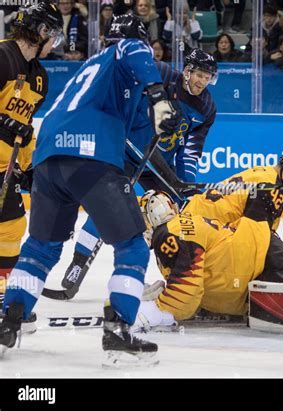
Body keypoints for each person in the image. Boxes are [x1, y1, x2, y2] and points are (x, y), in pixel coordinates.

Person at [0, 14, 181, 366]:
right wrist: (160, 97)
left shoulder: (94, 71)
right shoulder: (127, 54)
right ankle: (118, 331)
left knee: (41, 248)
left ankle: (10, 320)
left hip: (49, 159)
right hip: (90, 156)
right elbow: (133, 50)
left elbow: (139, 142)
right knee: (132, 246)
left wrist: (171, 177)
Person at [59, 48, 218, 299]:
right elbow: (126, 73)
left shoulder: (207, 107)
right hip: (128, 152)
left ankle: (181, 275)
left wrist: (184, 183)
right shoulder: (163, 74)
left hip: (160, 165)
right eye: (199, 74)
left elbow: (189, 151)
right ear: (187, 71)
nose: (202, 81)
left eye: (208, 77)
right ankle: (78, 262)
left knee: (181, 214)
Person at [133, 190, 283, 329]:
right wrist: (168, 292)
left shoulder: (169, 233)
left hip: (260, 263)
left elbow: (188, 291)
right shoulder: (181, 224)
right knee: (268, 304)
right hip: (262, 253)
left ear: (152, 215)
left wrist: (160, 309)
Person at [0, 2, 63, 331]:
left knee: (11, 227)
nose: (55, 43)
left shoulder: (39, 77)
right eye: (53, 35)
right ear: (41, 31)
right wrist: (5, 126)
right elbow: (12, 125)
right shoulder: (2, 57)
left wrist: (30, 167)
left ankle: (2, 297)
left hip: (5, 167)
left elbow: (24, 127)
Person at [184, 146, 283, 232]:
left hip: (187, 221)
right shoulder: (272, 189)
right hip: (198, 235)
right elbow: (259, 241)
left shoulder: (263, 172)